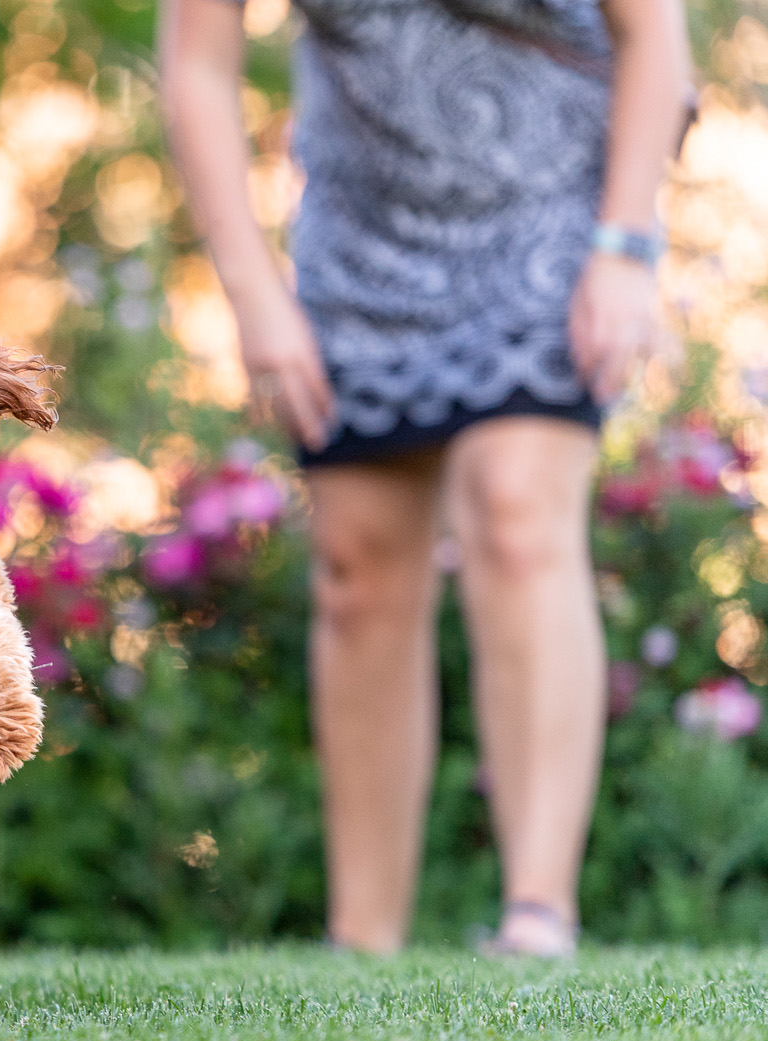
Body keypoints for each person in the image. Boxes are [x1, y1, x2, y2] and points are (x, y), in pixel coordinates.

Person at [159, 0, 695, 954]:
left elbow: (652, 31)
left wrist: (625, 245)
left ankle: (539, 914)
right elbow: (199, 64)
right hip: (363, 229)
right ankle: (363, 940)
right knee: (358, 570)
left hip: (557, 202)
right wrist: (253, 296)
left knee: (517, 508)